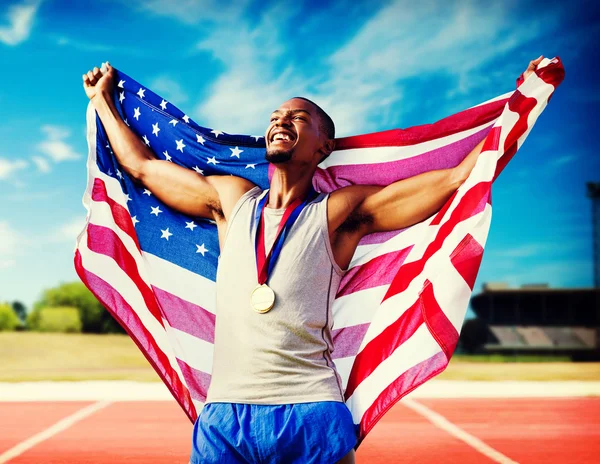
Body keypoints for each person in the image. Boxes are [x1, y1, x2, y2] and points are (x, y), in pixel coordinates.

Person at [82, 56, 543, 464]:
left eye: (299, 118)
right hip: (224, 416)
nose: (281, 121)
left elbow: (455, 180)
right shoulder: (230, 199)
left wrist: (521, 106)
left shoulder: (339, 212)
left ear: (323, 147)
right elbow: (140, 166)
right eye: (276, 116)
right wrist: (102, 101)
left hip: (310, 411)